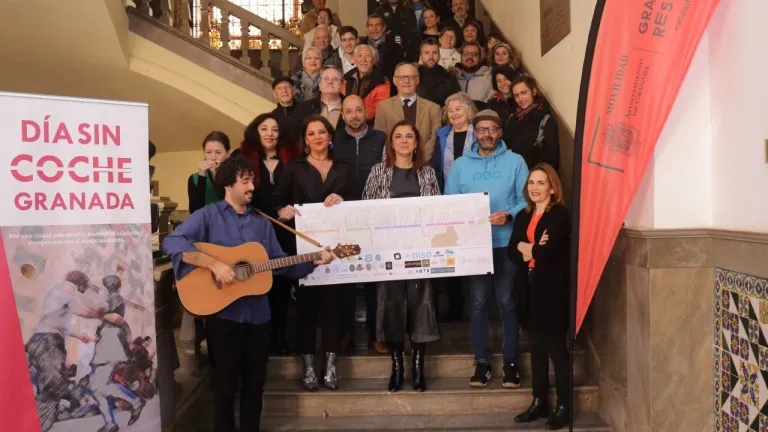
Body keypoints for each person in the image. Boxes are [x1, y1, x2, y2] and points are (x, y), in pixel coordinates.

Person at [163, 156, 335, 432]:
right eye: (245, 181)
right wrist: (213, 263)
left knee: (255, 384)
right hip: (223, 315)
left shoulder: (262, 222)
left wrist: (315, 260)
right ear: (228, 185)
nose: (252, 186)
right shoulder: (209, 215)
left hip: (258, 317)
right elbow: (172, 241)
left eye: (252, 180)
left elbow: (279, 264)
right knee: (225, 385)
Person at [444, 109, 528, 389]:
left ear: (500, 132)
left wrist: (509, 214)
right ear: (475, 133)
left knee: (507, 301)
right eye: (481, 129)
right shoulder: (460, 165)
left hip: (506, 243)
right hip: (474, 246)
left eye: (492, 129)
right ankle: (481, 361)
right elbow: (450, 201)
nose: (487, 134)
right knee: (478, 303)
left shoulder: (516, 161)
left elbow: (526, 198)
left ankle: (511, 361)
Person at [362, 120, 441, 392]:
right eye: (399, 136)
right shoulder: (378, 171)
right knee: (391, 306)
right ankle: (397, 366)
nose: (404, 141)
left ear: (416, 143)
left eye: (409, 136)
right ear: (392, 143)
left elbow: (436, 211)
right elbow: (366, 208)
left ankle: (419, 366)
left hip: (420, 251)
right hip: (388, 253)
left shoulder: (427, 173)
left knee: (421, 306)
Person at [275, 115, 352, 391]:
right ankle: (308, 367)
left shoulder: (344, 167)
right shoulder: (293, 167)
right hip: (303, 249)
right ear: (305, 140)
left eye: (322, 132)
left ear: (330, 136)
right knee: (306, 310)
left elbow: (357, 201)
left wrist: (344, 199)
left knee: (333, 308)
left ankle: (331, 366)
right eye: (311, 133)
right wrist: (282, 210)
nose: (317, 137)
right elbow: (278, 201)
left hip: (338, 249)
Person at [508, 163, 570, 430]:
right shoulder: (524, 215)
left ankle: (564, 406)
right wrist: (531, 247)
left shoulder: (560, 215)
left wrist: (527, 248)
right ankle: (539, 401)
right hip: (529, 288)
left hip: (553, 291)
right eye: (531, 182)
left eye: (541, 183)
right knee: (536, 349)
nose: (534, 187)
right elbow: (511, 251)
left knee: (556, 349)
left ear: (552, 188)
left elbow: (546, 252)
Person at [240, 113, 300, 355]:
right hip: (255, 231)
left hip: (287, 231)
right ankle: (260, 340)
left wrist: (288, 209)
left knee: (283, 285)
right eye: (264, 128)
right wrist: (274, 210)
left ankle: (280, 339)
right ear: (256, 131)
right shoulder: (242, 158)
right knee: (259, 284)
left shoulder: (294, 157)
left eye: (274, 129)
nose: (270, 133)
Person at [333, 95, 388, 354]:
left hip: (374, 216)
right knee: (344, 277)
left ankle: (376, 334)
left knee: (373, 278)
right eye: (349, 111)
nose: (354, 115)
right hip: (342, 217)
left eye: (358, 110)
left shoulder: (380, 138)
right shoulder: (334, 141)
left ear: (366, 111)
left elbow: (388, 170)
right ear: (342, 115)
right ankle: (347, 334)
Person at [25, 271, 110, 431]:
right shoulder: (67, 286)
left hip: (40, 340)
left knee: (47, 385)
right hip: (48, 342)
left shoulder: (59, 296)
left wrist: (80, 336)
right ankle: (37, 424)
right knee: (54, 386)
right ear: (80, 283)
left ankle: (36, 420)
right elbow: (84, 308)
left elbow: (62, 322)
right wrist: (103, 310)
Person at [89, 275, 146, 432]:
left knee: (98, 386)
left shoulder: (113, 297)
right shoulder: (114, 297)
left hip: (110, 340)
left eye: (107, 282)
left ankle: (135, 402)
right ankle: (111, 422)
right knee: (98, 387)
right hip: (108, 340)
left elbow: (98, 311)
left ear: (111, 284)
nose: (105, 284)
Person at [374, 62, 442, 160]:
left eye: (411, 77)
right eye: (402, 77)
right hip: (393, 163)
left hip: (424, 162)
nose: (406, 81)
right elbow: (380, 139)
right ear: (395, 80)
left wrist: (420, 159)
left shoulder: (433, 108)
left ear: (417, 80)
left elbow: (435, 139)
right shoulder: (383, 107)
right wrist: (398, 161)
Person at [503, 75, 560, 171]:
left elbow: (551, 161)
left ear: (534, 91)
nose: (520, 99)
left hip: (533, 175)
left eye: (523, 93)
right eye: (516, 95)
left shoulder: (546, 121)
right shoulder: (513, 118)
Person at [292, 65, 347, 138]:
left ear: (342, 85)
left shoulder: (350, 107)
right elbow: (296, 136)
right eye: (326, 78)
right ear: (319, 84)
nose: (330, 82)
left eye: (335, 79)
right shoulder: (303, 108)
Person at [343, 44, 391, 123]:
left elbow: (379, 108)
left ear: (374, 60)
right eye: (360, 56)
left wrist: (356, 117)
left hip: (371, 125)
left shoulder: (382, 82)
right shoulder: (346, 79)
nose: (364, 60)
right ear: (355, 60)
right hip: (347, 123)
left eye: (368, 56)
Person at [188, 131, 230, 213]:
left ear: (228, 154)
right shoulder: (194, 178)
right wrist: (201, 177)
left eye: (218, 152)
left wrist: (217, 176)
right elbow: (194, 211)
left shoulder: (235, 175)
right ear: (204, 154)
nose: (213, 157)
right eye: (208, 152)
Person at [360, 14, 406, 83]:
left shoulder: (396, 48)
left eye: (377, 25)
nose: (374, 29)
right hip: (365, 85)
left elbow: (401, 70)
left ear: (384, 27)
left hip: (390, 85)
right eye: (371, 25)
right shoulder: (360, 46)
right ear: (367, 28)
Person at [416, 37, 461, 107]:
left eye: (434, 53)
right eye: (427, 53)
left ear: (439, 56)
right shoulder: (412, 76)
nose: (431, 57)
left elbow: (457, 104)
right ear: (421, 56)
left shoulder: (449, 77)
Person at [271, 77, 300, 147]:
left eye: (287, 87)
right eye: (279, 88)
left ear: (293, 90)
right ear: (275, 94)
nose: (284, 91)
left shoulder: (306, 110)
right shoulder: (272, 117)